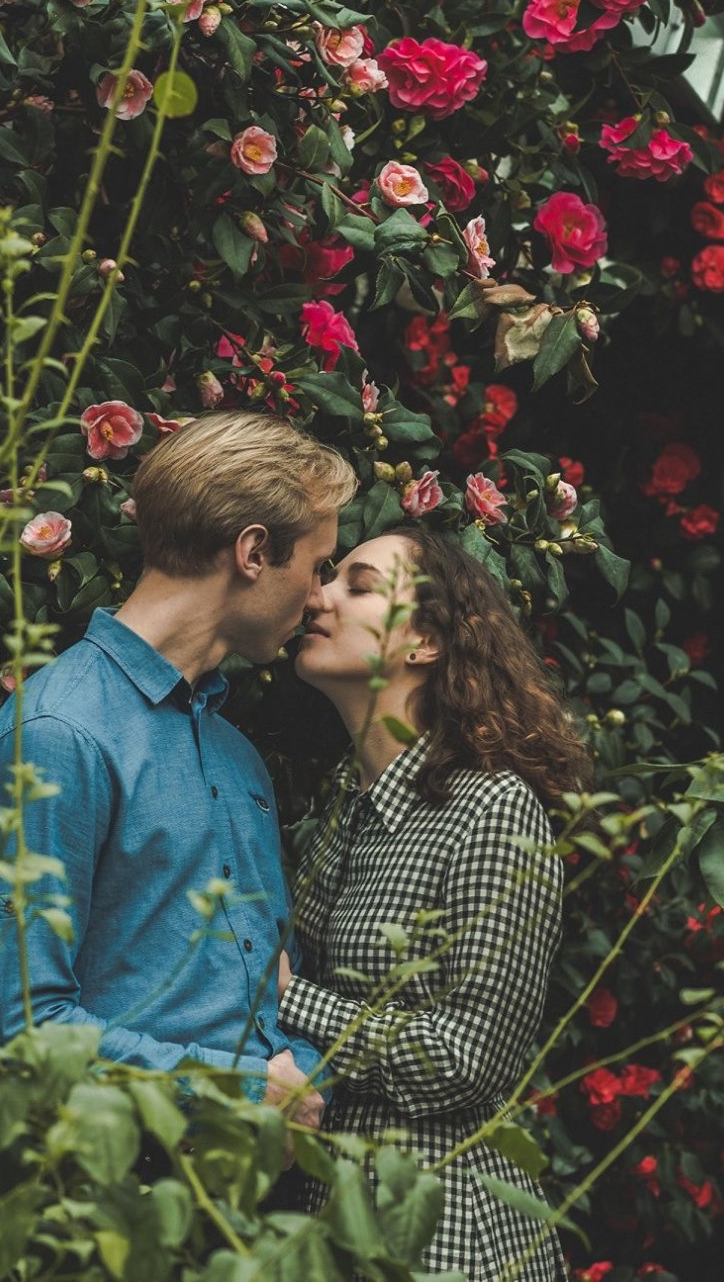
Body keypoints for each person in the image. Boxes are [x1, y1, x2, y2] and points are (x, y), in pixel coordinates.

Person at [0, 411, 354, 1124]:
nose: (321, 595)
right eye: (318, 565)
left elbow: (269, 1004)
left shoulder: (237, 760)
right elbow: (29, 1032)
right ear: (254, 551)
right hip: (114, 1202)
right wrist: (236, 1092)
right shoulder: (58, 734)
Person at [281, 526, 589, 1281]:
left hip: (442, 1227)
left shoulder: (492, 808)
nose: (317, 595)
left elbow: (466, 1062)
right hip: (332, 1211)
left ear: (424, 640)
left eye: (357, 584)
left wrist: (292, 1000)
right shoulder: (342, 804)